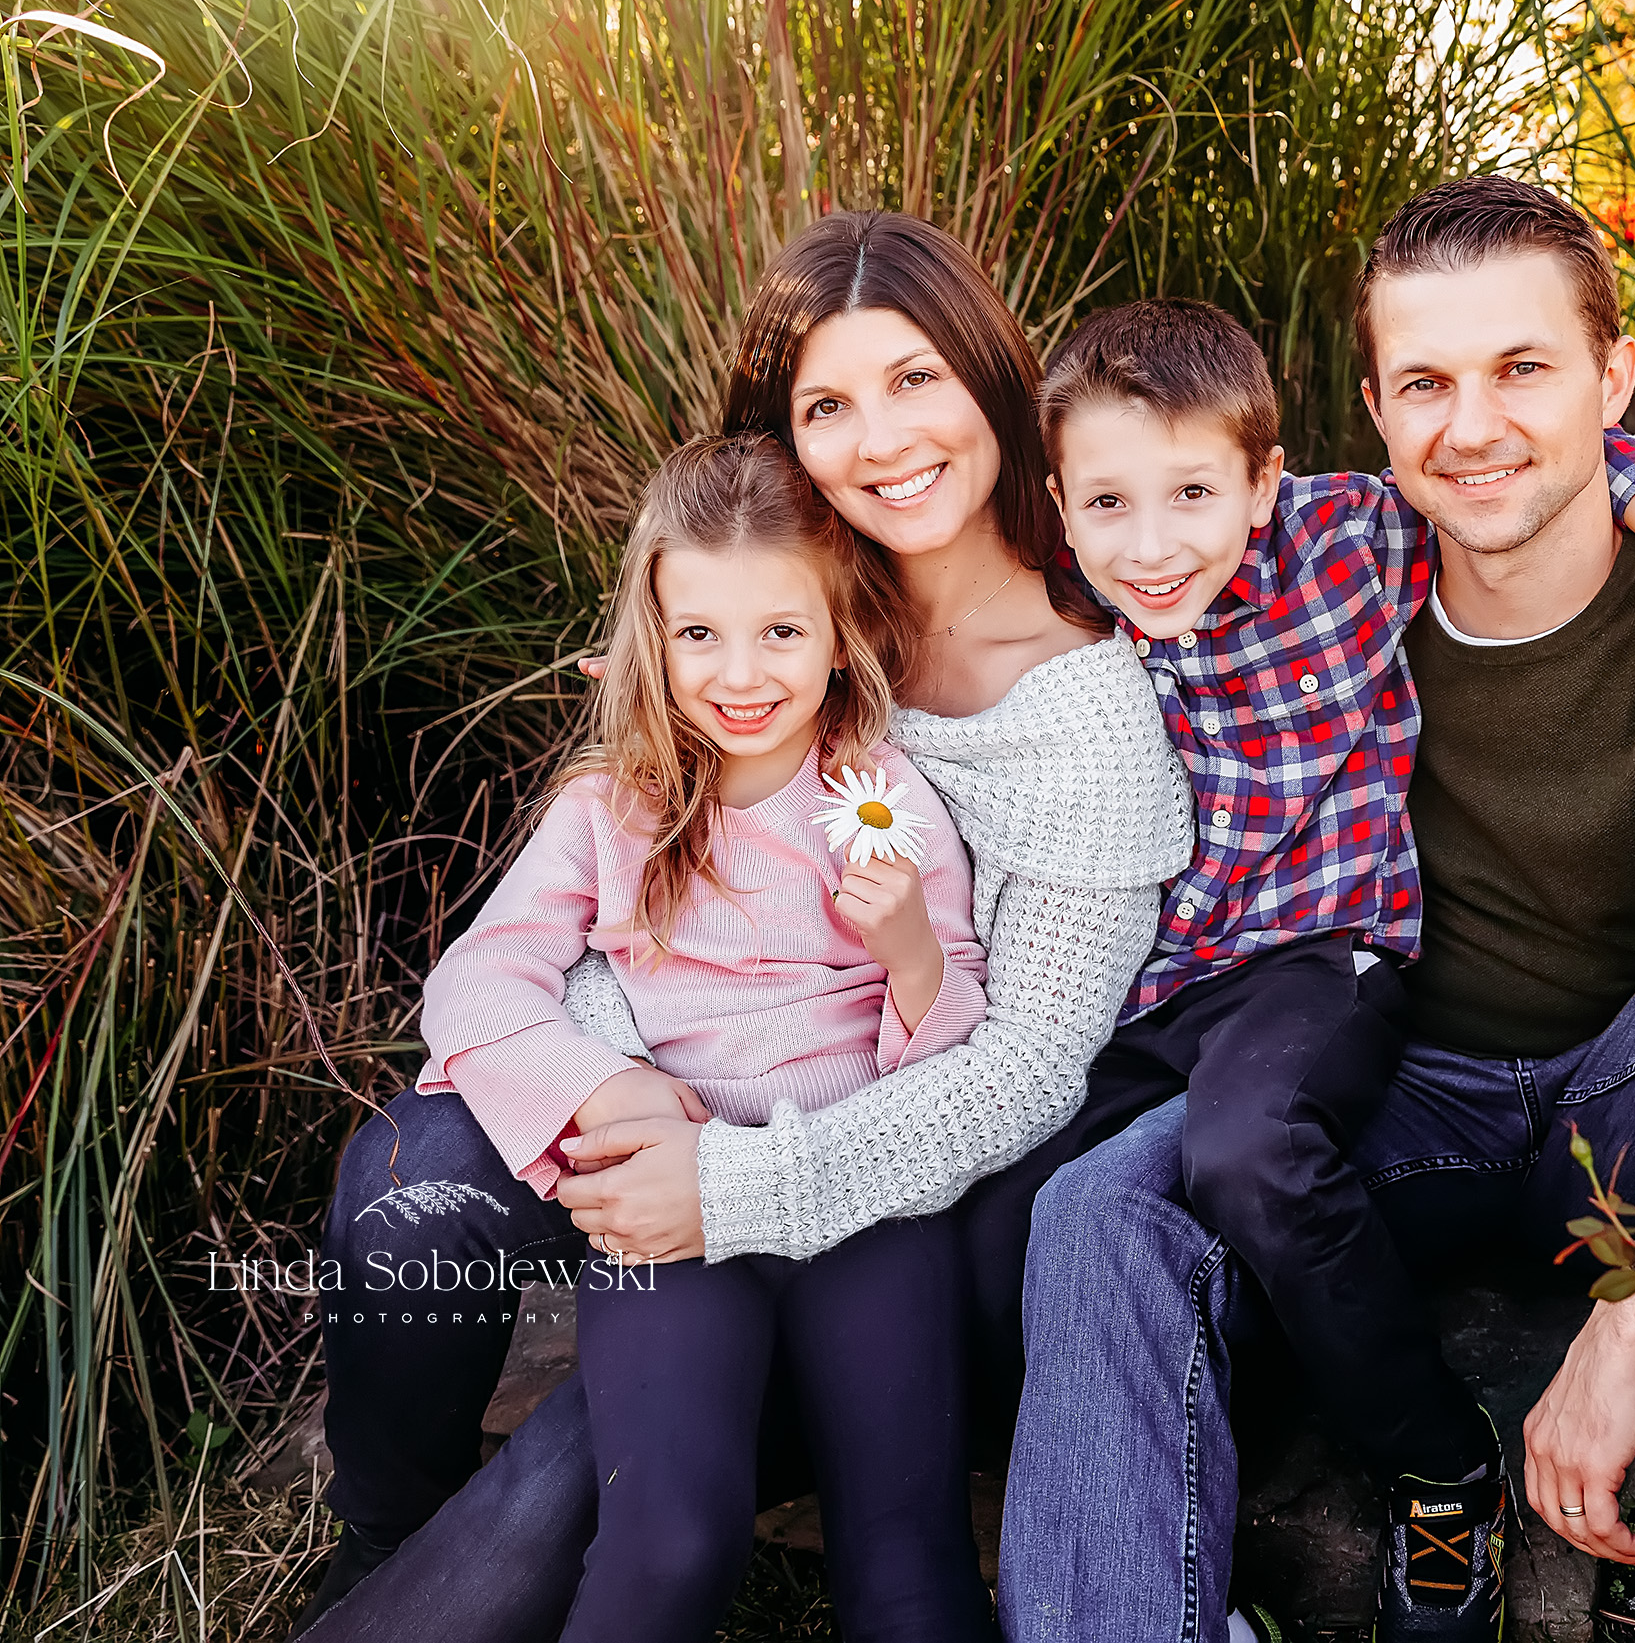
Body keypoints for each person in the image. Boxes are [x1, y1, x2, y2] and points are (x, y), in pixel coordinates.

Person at [998, 176, 1635, 1642]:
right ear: (1377, 420)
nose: (1474, 425)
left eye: (1523, 368)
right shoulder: (1310, 581)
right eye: (1426, 384)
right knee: (1100, 1207)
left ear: (1613, 379)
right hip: (1402, 1114)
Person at [293, 211, 1193, 1642]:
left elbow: (1014, 1067)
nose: (881, 436)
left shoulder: (1082, 711)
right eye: (827, 404)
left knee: (598, 1491)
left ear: (993, 383)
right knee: (416, 1188)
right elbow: (604, 911)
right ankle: (382, 1532)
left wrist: (728, 1178)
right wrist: (632, 1095)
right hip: (654, 1120)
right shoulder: (751, 614)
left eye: (916, 380)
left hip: (883, 1188)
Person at [1033, 295, 1635, 1636]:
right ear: (1062, 509)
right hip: (1162, 982)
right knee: (1034, 1194)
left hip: (1322, 955)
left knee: (1248, 1153)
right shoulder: (1067, 602)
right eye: (1108, 503)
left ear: (1263, 483)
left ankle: (1436, 1461)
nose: (1150, 542)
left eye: (1191, 492)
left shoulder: (1343, 539)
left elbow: (1523, 481)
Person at [417, 432, 996, 1641]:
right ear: (654, 632)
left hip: (858, 1208)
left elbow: (956, 1063)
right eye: (700, 635)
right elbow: (476, 983)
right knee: (670, 1541)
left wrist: (907, 953)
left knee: (907, 1573)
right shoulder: (613, 804)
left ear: (842, 633)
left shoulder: (883, 799)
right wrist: (603, 1091)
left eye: (781, 631)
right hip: (673, 1221)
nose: (741, 673)